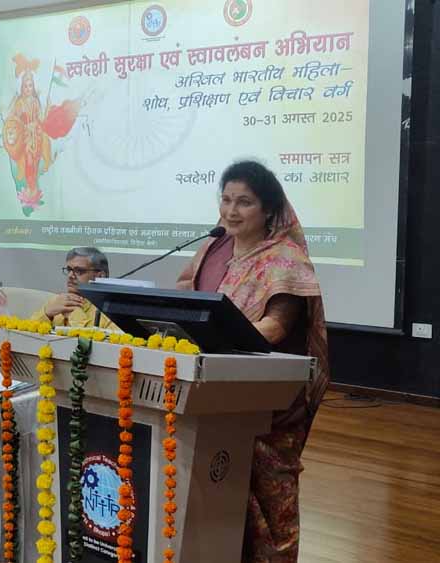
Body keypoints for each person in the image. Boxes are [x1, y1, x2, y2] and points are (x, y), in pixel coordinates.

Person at [176, 160, 329, 563]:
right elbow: (184, 293)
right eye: (226, 200)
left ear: (268, 209)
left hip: (265, 398)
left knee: (269, 495)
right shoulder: (213, 248)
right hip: (209, 387)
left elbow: (276, 326)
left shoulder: (285, 258)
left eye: (244, 202)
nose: (231, 211)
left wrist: (218, 340)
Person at [30, 247, 118, 330]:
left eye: (79, 271)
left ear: (100, 276)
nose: (70, 276)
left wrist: (75, 316)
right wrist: (47, 314)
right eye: (69, 270)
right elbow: (27, 333)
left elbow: (100, 340)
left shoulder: (112, 311)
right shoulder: (58, 301)